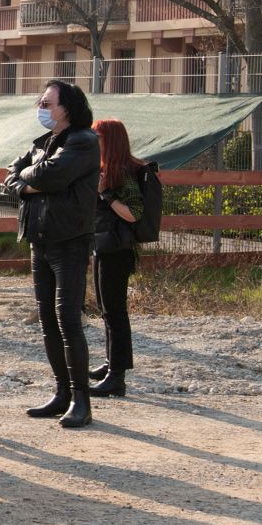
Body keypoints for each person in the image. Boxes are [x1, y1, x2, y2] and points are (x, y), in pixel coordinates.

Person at [8, 80, 101, 429]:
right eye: (40, 102)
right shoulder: (42, 142)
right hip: (40, 241)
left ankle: (81, 400)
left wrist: (27, 180)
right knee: (48, 320)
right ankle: (62, 392)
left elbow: (52, 176)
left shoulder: (83, 140)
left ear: (68, 108)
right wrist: (27, 183)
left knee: (68, 321)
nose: (41, 108)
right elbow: (10, 177)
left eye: (47, 103)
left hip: (70, 241)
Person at [89, 118, 145, 399]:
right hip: (103, 246)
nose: (93, 141)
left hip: (117, 250)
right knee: (106, 309)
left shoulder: (123, 172)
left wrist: (106, 195)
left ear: (110, 140)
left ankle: (117, 377)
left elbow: (134, 213)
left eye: (97, 136)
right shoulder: (106, 170)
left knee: (115, 312)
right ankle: (111, 363)